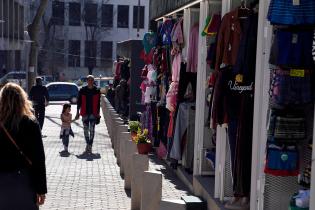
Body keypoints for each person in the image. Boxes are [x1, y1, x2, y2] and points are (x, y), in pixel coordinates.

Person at [0, 83, 47, 209]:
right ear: (22, 100)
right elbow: (39, 159)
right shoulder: (30, 123)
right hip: (25, 182)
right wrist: (41, 189)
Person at [75, 75, 101, 154]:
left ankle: (90, 145)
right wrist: (77, 112)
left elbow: (98, 104)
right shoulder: (82, 90)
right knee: (86, 130)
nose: (90, 81)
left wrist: (98, 114)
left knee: (92, 130)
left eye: (92, 80)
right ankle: (88, 144)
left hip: (93, 113)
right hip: (84, 113)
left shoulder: (97, 90)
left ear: (93, 81)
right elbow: (79, 102)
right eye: (89, 80)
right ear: (87, 81)